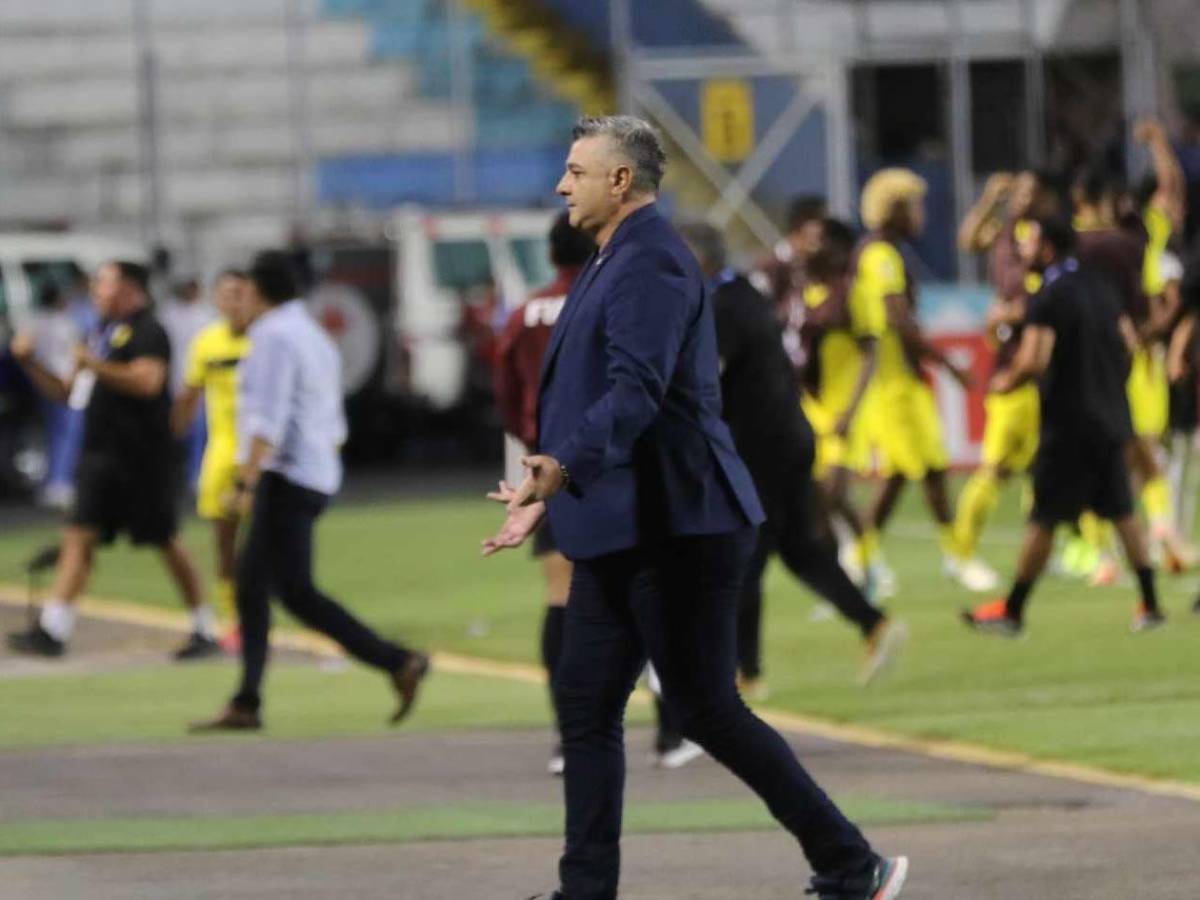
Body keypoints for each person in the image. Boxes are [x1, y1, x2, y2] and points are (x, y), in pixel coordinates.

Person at [482, 116, 907, 900]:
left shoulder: (650, 265)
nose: (560, 185)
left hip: (678, 524)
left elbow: (635, 393)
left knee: (706, 709)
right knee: (586, 702)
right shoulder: (616, 259)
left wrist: (563, 467)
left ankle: (852, 863)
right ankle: (586, 892)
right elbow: (597, 396)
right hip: (625, 522)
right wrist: (553, 487)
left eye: (576, 171)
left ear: (620, 182)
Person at [190, 251, 430, 732]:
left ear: (258, 292)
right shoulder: (310, 332)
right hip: (314, 472)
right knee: (268, 587)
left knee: (280, 589)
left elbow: (267, 418)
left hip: (286, 475)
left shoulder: (272, 337)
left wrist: (244, 481)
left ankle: (396, 661)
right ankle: (251, 698)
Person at [678, 222, 908, 693]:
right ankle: (874, 624)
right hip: (789, 439)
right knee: (802, 550)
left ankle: (747, 672)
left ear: (697, 259)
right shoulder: (745, 293)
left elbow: (704, 384)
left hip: (758, 449)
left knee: (742, 554)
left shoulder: (720, 307)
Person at [6, 261, 217, 660]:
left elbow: (148, 381)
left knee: (164, 538)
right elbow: (69, 391)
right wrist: (29, 361)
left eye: (104, 283)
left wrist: (94, 365)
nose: (96, 291)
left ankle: (204, 626)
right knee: (78, 534)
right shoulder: (100, 332)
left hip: (142, 458)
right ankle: (54, 628)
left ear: (129, 289)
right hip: (100, 456)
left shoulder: (148, 331)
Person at [963, 218, 1164, 635]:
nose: (1023, 251)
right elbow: (1129, 344)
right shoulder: (1102, 287)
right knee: (1123, 513)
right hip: (1111, 417)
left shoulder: (1048, 297)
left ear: (1049, 248)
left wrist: (1005, 381)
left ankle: (1012, 611)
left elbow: (1034, 359)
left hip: (1069, 424)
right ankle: (1150, 604)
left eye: (1030, 242)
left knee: (1044, 519)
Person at [855, 169, 971, 594]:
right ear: (897, 209)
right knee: (914, 472)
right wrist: (950, 365)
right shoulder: (881, 256)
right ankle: (862, 561)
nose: (922, 213)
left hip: (902, 380)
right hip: (891, 383)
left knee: (923, 470)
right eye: (915, 205)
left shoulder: (888, 252)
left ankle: (953, 556)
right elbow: (898, 321)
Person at [950, 170, 1058, 592]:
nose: (1022, 198)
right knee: (994, 468)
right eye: (1018, 192)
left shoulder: (1048, 236)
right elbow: (967, 240)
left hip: (1043, 365)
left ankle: (1042, 551)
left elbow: (1047, 293)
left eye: (1030, 191)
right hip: (1011, 371)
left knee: (1043, 468)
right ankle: (960, 553)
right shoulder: (1003, 233)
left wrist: (1011, 313)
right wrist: (989, 199)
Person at [171, 270, 253, 652]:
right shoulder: (207, 342)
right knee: (224, 540)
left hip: (263, 452)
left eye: (239, 294)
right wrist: (172, 434)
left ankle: (263, 612)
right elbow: (189, 394)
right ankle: (232, 615)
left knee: (268, 539)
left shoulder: (266, 340)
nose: (233, 302)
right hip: (222, 452)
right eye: (226, 295)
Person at [751, 194, 829, 370]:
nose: (826, 233)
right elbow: (754, 318)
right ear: (802, 224)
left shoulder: (816, 268)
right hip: (777, 370)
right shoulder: (770, 267)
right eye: (822, 224)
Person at [160, 276, 215, 489]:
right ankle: (174, 476)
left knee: (199, 432)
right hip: (175, 381)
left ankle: (196, 476)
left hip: (199, 383)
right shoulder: (169, 314)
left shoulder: (206, 315)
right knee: (175, 430)